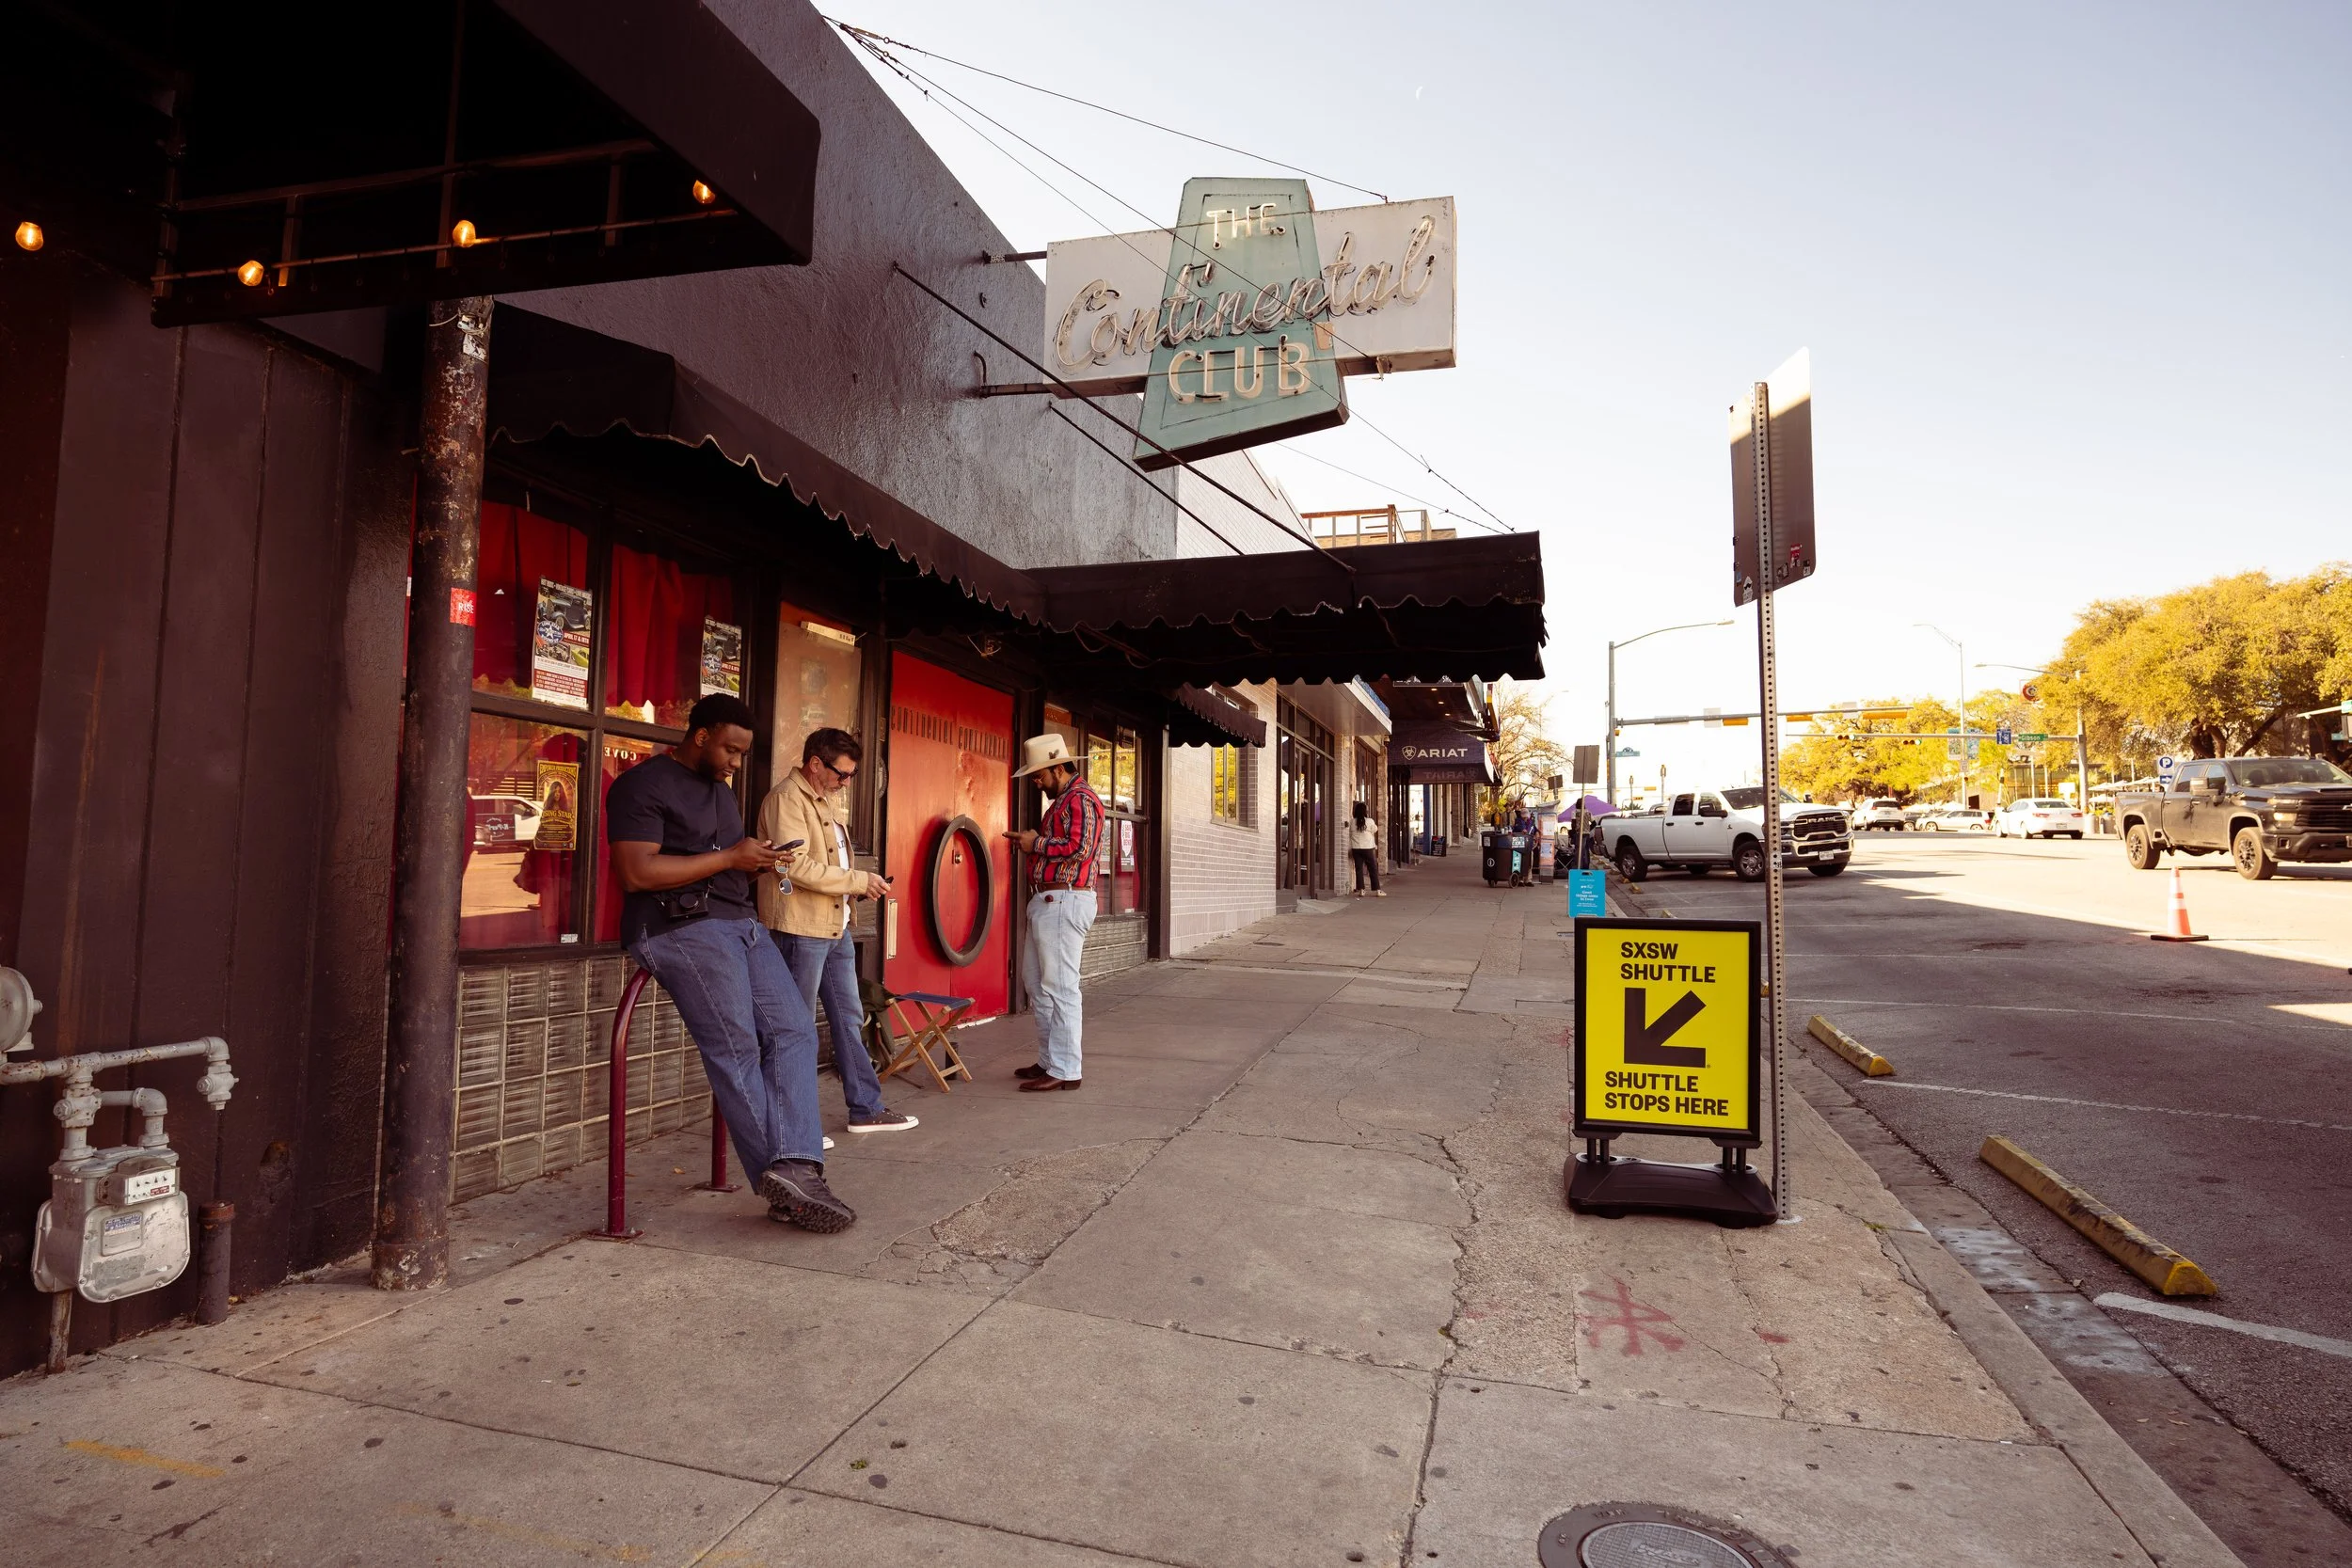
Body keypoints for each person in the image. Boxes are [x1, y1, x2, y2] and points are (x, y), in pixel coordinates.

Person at [605, 693, 854, 1233]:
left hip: (740, 923)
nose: (736, 763)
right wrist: (730, 858)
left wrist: (758, 863)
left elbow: (724, 867)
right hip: (676, 928)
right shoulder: (641, 785)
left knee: (795, 1031)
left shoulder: (720, 791)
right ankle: (789, 1182)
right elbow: (636, 873)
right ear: (700, 735)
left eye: (743, 753)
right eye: (731, 750)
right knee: (736, 1045)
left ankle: (795, 1168)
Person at [757, 727, 917, 1136]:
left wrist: (856, 888)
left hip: (833, 927)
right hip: (799, 929)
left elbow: (827, 863)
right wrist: (856, 881)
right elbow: (790, 865)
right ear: (815, 764)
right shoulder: (786, 799)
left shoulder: (823, 801)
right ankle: (794, 1128)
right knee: (795, 1028)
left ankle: (865, 1108)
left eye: (851, 776)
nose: (846, 783)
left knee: (849, 1019)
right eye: (841, 774)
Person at [1005, 734, 1104, 1091]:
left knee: (1060, 987)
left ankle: (1065, 1069)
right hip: (1052, 900)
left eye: (1039, 775)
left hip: (1065, 900)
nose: (1036, 782)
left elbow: (1081, 847)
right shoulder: (1067, 800)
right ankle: (1051, 1061)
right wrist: (1033, 845)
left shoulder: (1079, 798)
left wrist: (1037, 843)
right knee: (1038, 983)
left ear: (1058, 767)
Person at [1348, 803, 1385, 896]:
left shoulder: (1352, 822)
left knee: (1359, 869)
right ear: (1365, 811)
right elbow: (1375, 829)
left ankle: (1361, 890)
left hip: (1356, 848)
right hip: (1368, 848)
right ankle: (1377, 890)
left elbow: (1350, 833)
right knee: (1372, 869)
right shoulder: (1370, 821)